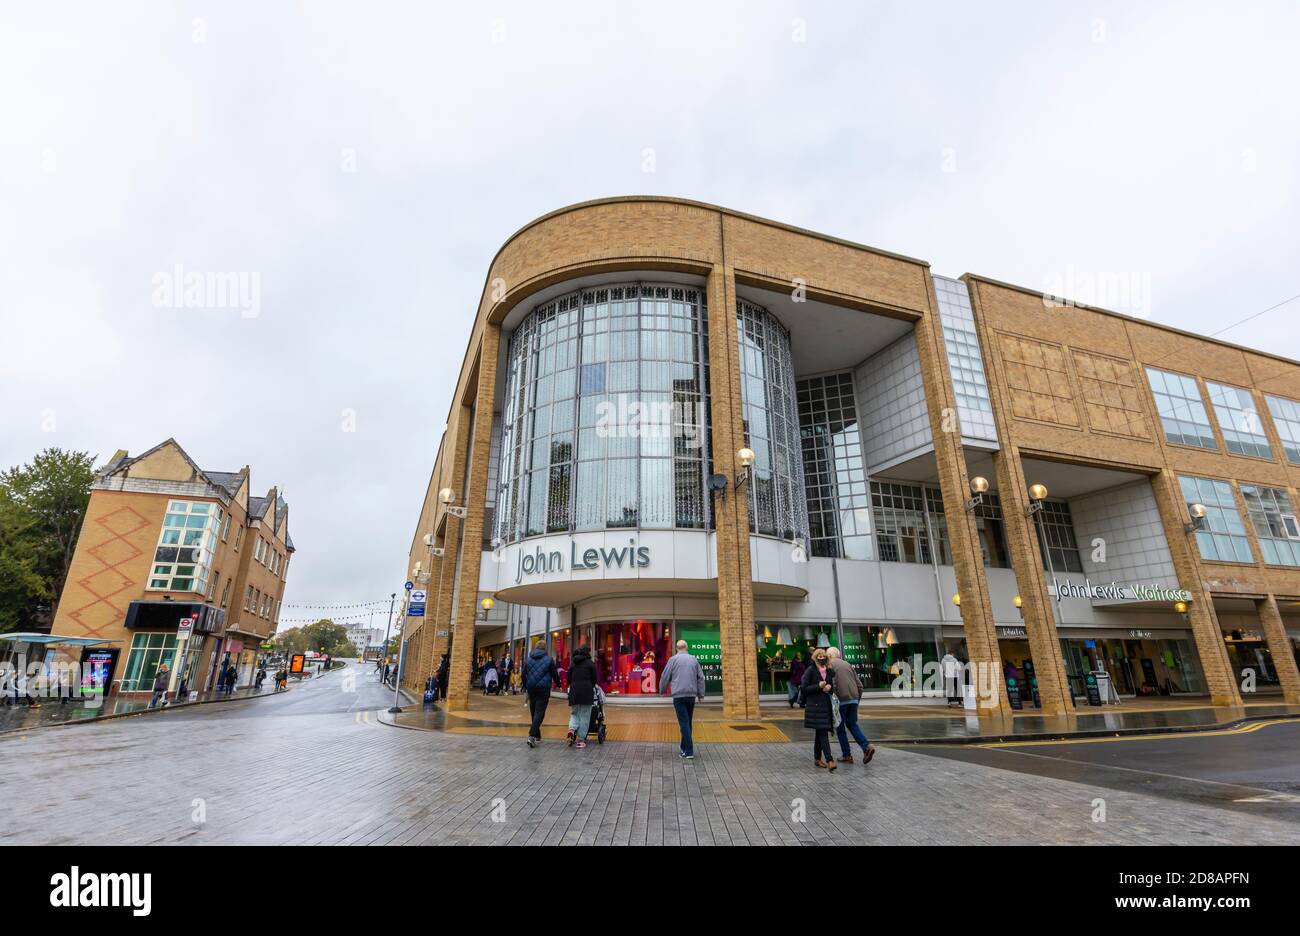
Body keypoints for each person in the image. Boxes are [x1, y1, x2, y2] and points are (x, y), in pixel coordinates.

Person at [827, 648, 875, 765]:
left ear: (829, 655)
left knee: (840, 728)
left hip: (840, 700)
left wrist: (833, 700)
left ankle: (847, 755)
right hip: (853, 699)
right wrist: (856, 701)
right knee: (852, 724)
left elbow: (832, 684)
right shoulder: (848, 664)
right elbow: (860, 685)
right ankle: (866, 746)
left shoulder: (830, 665)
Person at [660, 640, 706, 760]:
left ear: (677, 649)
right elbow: (701, 677)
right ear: (687, 647)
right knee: (688, 722)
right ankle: (684, 747)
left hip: (679, 696)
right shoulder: (693, 659)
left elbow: (665, 676)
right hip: (691, 696)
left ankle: (689, 751)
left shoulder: (673, 660)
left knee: (684, 723)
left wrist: (661, 690)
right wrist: (701, 695)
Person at [801, 648, 837, 770]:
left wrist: (829, 688)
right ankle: (830, 760)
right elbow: (804, 688)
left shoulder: (829, 671)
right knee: (823, 731)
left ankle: (817, 759)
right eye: (819, 656)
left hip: (825, 705)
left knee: (819, 733)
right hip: (815, 707)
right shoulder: (810, 671)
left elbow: (832, 688)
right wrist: (818, 686)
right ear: (815, 657)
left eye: (824, 656)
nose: (822, 658)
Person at [522, 644, 561, 748]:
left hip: (531, 689)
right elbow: (554, 674)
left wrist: (526, 685)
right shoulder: (549, 659)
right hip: (544, 689)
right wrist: (559, 684)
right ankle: (532, 735)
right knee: (539, 713)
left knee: (534, 712)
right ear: (545, 648)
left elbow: (523, 674)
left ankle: (537, 736)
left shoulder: (529, 659)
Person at [565, 646, 598, 748]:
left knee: (574, 713)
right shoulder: (590, 663)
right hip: (586, 692)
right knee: (584, 716)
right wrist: (590, 686)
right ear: (587, 653)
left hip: (574, 692)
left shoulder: (573, 663)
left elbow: (568, 678)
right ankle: (581, 739)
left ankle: (571, 729)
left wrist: (574, 685)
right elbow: (594, 679)